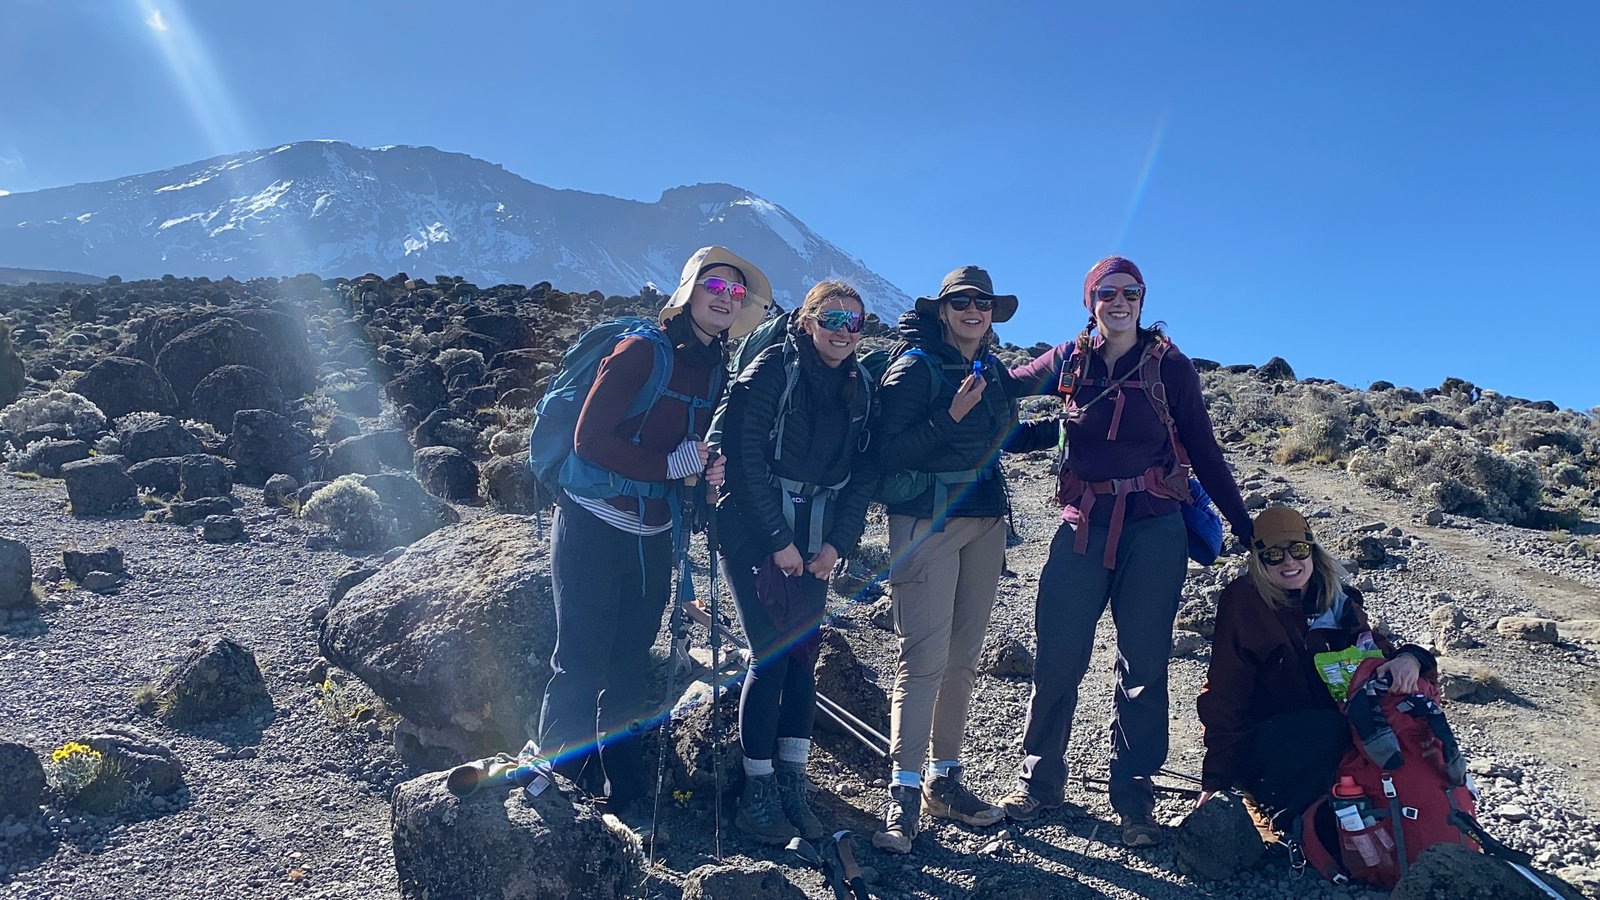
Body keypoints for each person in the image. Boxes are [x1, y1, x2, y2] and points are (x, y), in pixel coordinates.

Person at [997, 255, 1252, 847]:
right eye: (1107, 292)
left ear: (1142, 299)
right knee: (1058, 656)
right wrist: (947, 370)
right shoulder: (1068, 360)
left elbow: (1206, 452)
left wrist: (1244, 524)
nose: (1119, 301)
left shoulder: (1173, 368)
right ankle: (1039, 784)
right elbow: (1005, 389)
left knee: (1144, 666)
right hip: (1082, 524)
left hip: (1154, 530)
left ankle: (1135, 802)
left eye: (1130, 292)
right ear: (1090, 300)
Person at [536, 246, 771, 837]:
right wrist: (671, 467)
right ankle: (554, 789)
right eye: (716, 285)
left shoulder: (717, 366)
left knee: (629, 668)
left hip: (653, 535)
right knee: (580, 664)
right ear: (690, 289)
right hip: (592, 523)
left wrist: (703, 469)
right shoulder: (641, 351)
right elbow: (590, 441)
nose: (726, 297)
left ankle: (626, 795)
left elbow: (687, 451)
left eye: (737, 292)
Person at [871, 265, 1059, 854]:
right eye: (962, 303)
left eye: (983, 303)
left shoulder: (989, 370)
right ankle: (901, 797)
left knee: (963, 658)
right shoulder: (914, 368)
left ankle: (944, 778)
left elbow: (997, 437)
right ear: (943, 310)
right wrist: (948, 416)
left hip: (984, 524)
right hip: (927, 523)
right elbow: (884, 452)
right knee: (923, 657)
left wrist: (1060, 431)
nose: (974, 311)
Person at [713, 280, 878, 845]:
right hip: (754, 531)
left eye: (853, 322)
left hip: (815, 541)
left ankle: (790, 786)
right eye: (831, 318)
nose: (842, 331)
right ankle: (757, 797)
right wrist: (779, 541)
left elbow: (862, 476)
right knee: (772, 655)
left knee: (803, 657)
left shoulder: (860, 388)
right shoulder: (770, 373)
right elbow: (745, 460)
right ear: (808, 321)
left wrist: (838, 546)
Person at [1195, 505, 1436, 838]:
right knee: (1327, 731)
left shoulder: (1336, 600)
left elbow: (1376, 656)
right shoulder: (1244, 603)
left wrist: (1411, 659)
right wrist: (1217, 779)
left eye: (1298, 550)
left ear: (1312, 550)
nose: (1289, 562)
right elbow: (1225, 694)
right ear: (1258, 561)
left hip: (1331, 740)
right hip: (1271, 744)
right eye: (1274, 555)